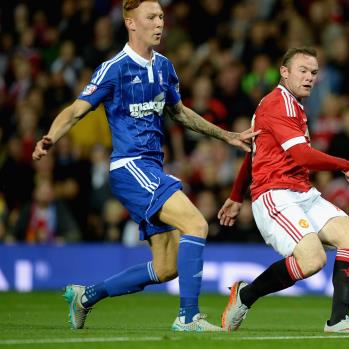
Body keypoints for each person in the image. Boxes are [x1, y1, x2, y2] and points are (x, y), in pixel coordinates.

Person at [32, 0, 258, 332]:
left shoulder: (165, 67)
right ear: (130, 23)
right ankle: (188, 317)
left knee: (167, 268)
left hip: (152, 168)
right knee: (196, 224)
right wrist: (50, 136)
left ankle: (86, 297)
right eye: (150, 17)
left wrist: (226, 135)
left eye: (162, 17)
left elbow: (180, 113)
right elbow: (76, 110)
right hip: (129, 167)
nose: (159, 23)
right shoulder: (115, 68)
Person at [217, 47, 349, 334]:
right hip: (274, 193)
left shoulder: (293, 106)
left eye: (314, 72)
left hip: (301, 191)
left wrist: (235, 195)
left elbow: (254, 152)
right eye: (302, 70)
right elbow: (302, 155)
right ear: (284, 72)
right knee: (313, 260)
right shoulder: (279, 104)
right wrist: (343, 165)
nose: (309, 77)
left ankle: (339, 321)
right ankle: (245, 296)